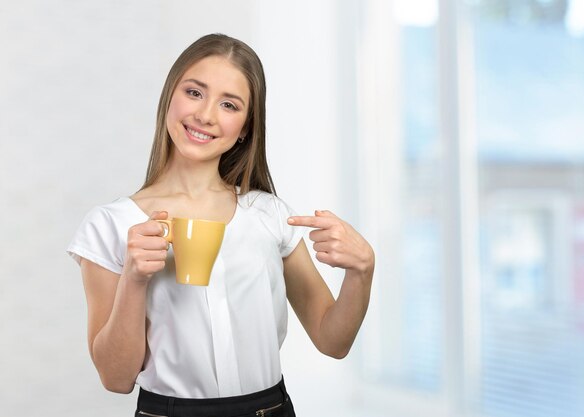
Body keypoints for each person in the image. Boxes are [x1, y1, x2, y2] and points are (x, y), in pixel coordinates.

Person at [67, 33, 374, 417]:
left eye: (229, 104)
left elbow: (333, 341)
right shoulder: (111, 224)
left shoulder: (269, 214)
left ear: (246, 126)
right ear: (170, 97)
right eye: (194, 93)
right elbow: (116, 379)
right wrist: (134, 279)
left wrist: (362, 271)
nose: (206, 115)